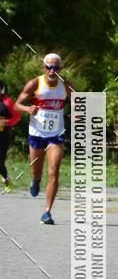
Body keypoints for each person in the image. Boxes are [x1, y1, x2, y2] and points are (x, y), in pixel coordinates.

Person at [15, 53, 73, 224]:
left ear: (60, 69)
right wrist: (27, 109)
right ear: (44, 68)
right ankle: (35, 180)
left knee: (54, 171)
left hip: (56, 135)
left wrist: (77, 113)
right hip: (37, 134)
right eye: (49, 67)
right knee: (36, 171)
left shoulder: (66, 85)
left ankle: (47, 212)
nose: (52, 70)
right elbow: (17, 104)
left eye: (55, 67)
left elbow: (79, 103)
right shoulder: (35, 83)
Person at [0, 80, 21, 192]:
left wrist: (6, 122)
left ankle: (6, 179)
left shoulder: (7, 102)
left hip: (3, 137)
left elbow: (17, 116)